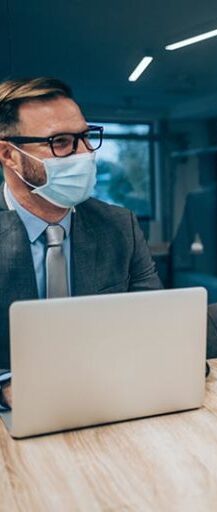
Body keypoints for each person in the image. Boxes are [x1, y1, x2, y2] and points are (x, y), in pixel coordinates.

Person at [0, 78, 163, 409]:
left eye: (86, 137)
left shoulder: (120, 226)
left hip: (106, 399)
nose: (86, 154)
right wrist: (7, 387)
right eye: (60, 142)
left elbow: (155, 327)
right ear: (8, 155)